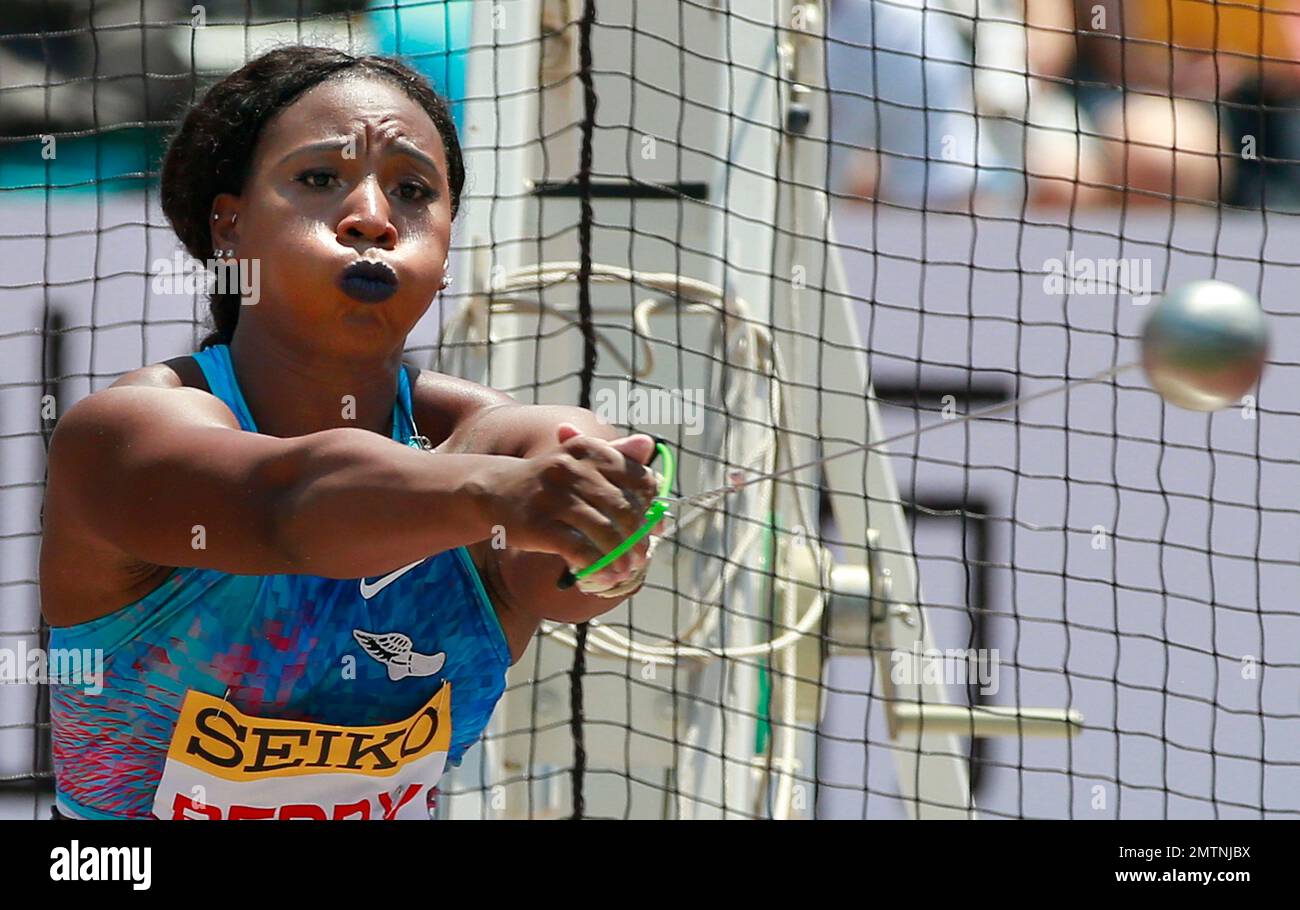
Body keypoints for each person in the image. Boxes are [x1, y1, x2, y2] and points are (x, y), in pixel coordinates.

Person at [39, 46, 661, 820]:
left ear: (444, 254)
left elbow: (564, 577)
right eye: (320, 179)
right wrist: (509, 497)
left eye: (411, 191)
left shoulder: (499, 446)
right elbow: (291, 508)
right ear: (229, 225)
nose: (371, 216)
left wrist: (607, 533)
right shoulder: (123, 434)